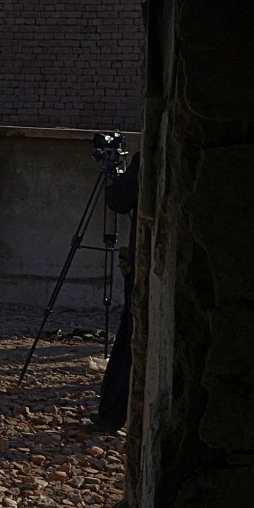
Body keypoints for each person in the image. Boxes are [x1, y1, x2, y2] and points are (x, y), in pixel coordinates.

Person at [94, 151, 140, 431]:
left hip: (140, 262)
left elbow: (119, 201)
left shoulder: (146, 158)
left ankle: (113, 414)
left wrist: (115, 177)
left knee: (129, 336)